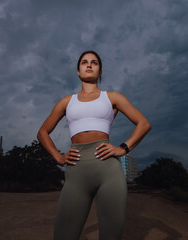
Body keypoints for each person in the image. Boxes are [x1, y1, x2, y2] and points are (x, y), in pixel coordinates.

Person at [37, 50, 151, 240]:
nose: (89, 65)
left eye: (94, 62)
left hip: (109, 172)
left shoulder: (112, 98)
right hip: (76, 172)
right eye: (84, 62)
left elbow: (144, 124)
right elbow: (42, 132)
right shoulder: (66, 102)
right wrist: (58, 156)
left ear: (100, 71)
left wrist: (122, 148)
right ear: (78, 71)